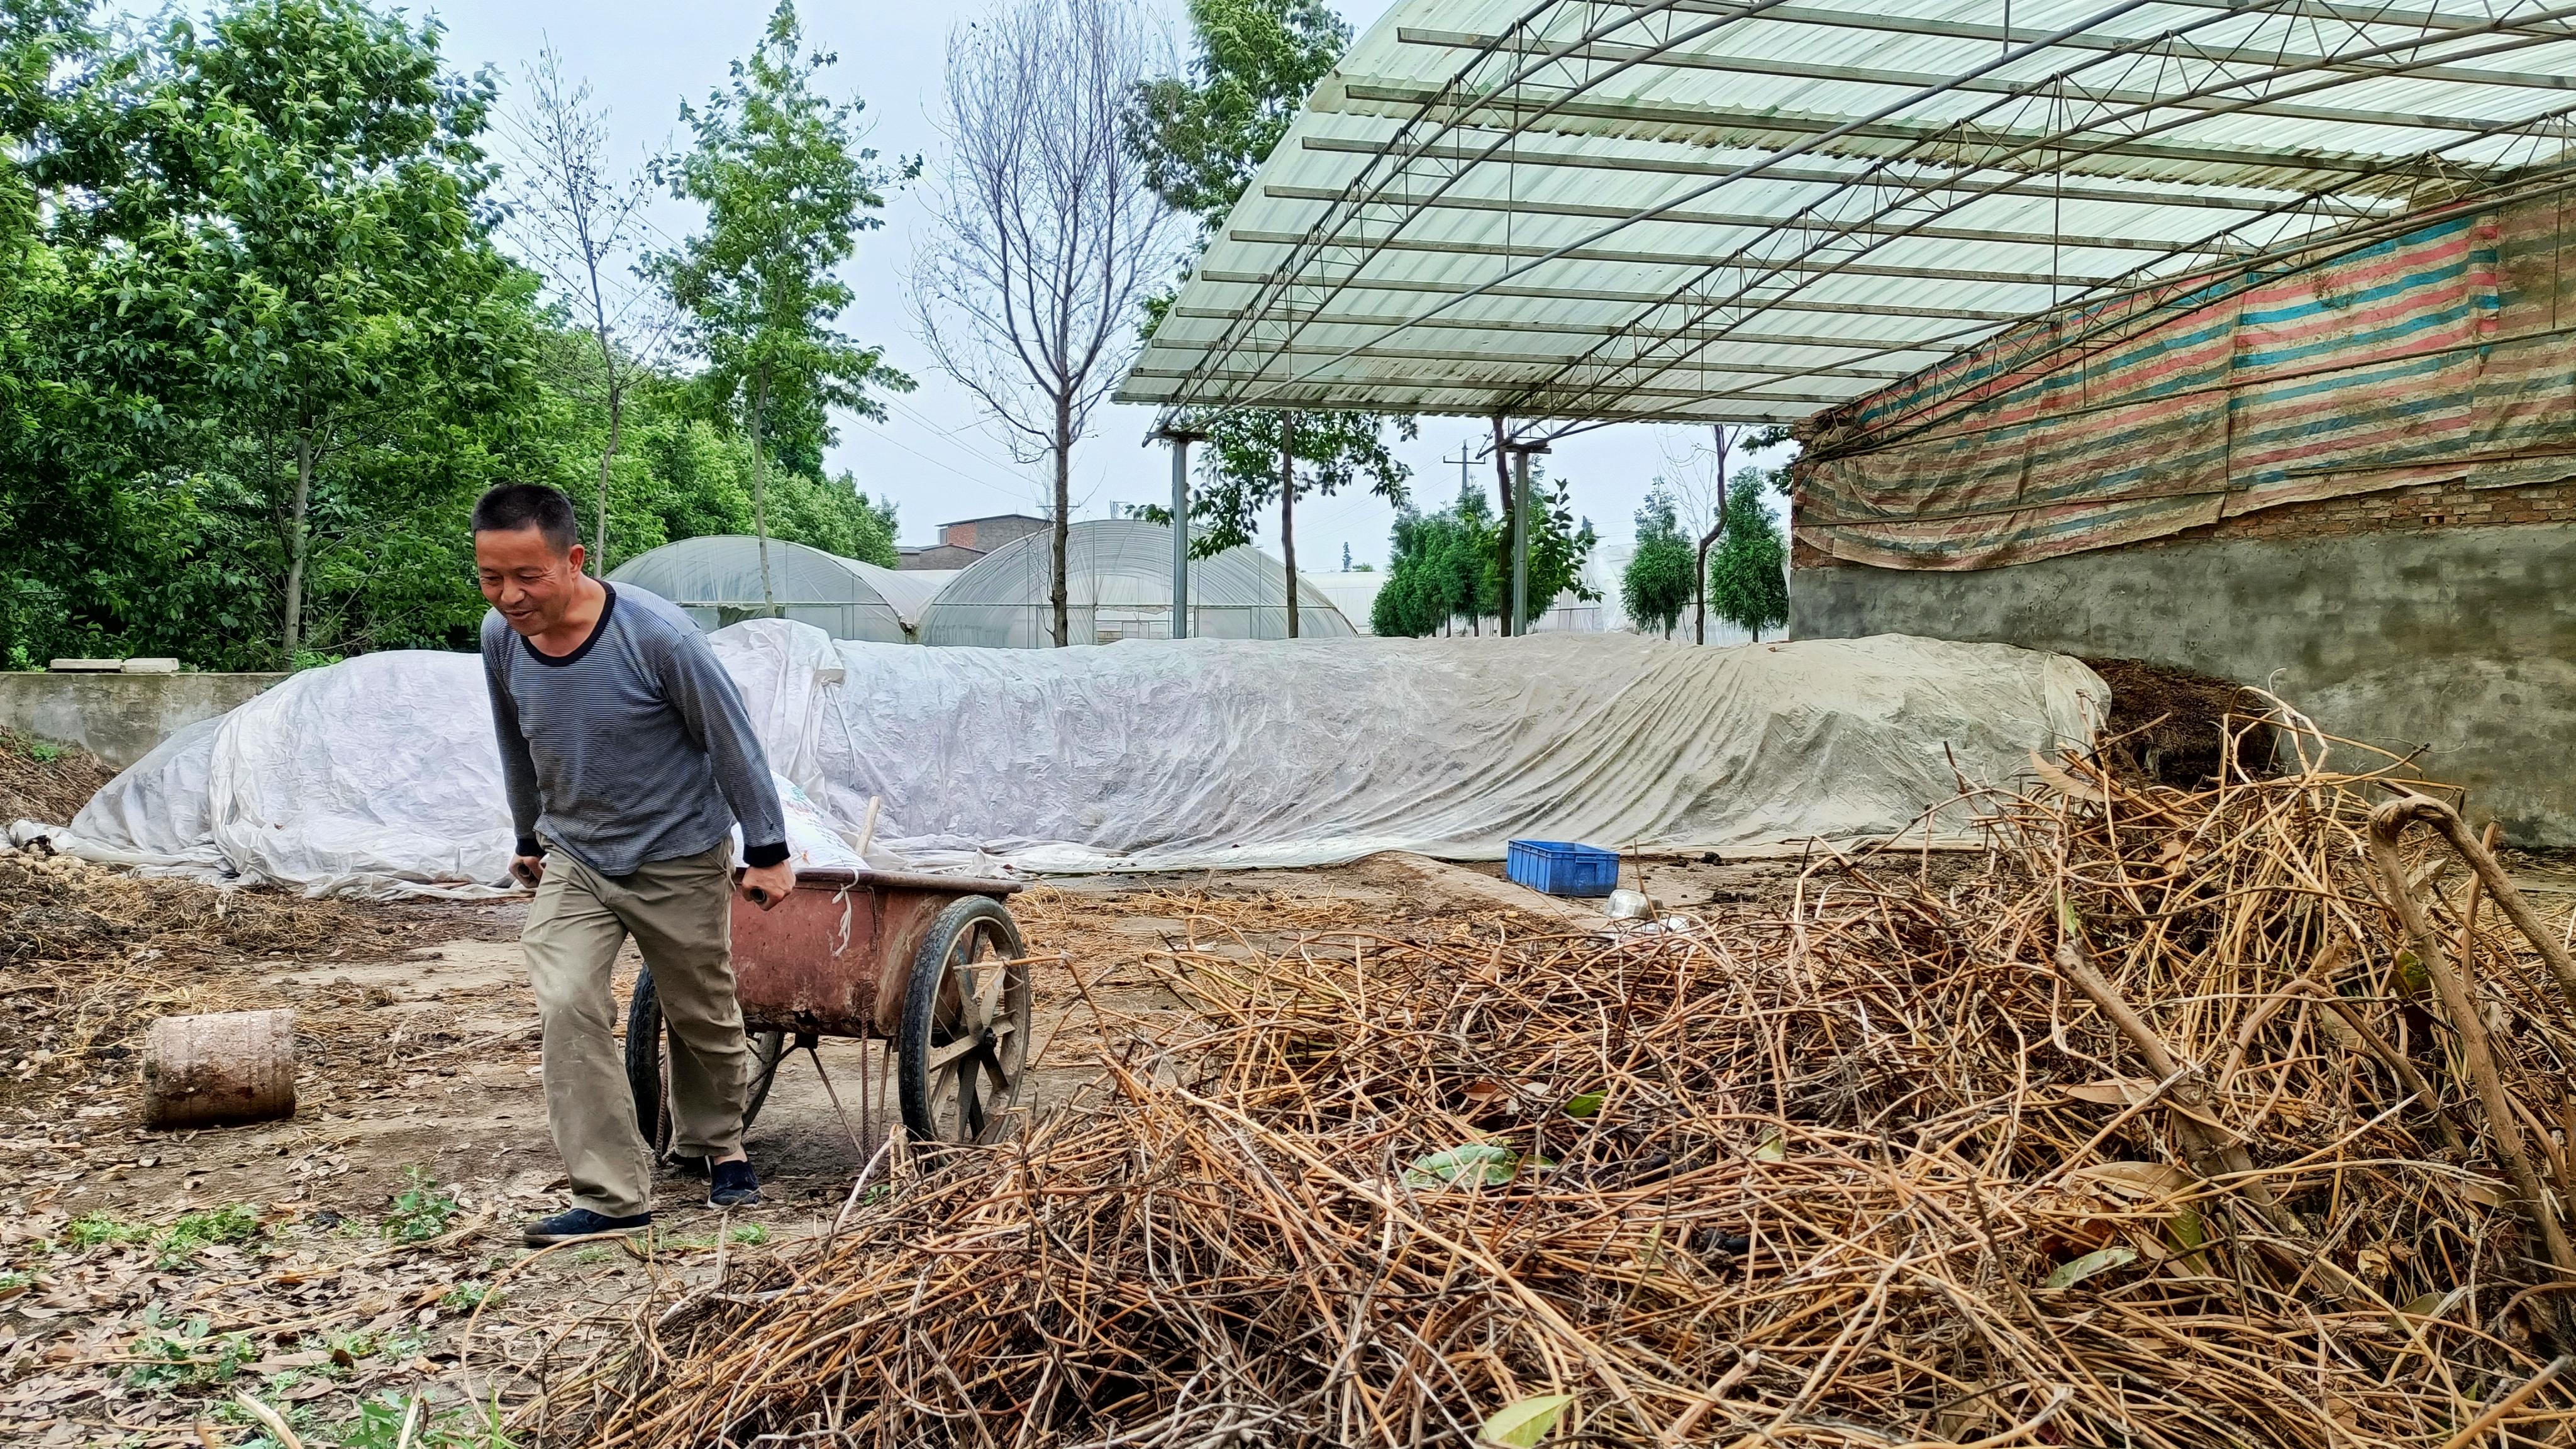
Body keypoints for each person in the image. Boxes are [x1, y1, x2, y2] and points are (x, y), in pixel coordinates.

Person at [472, 482, 796, 1245]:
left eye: (528, 576)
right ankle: (614, 1192)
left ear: (574, 560)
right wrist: (528, 837)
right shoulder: (499, 636)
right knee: (567, 1003)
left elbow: (732, 740)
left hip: (677, 851)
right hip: (578, 853)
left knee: (699, 1010)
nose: (509, 595)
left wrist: (768, 848)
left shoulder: (657, 636)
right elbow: (516, 741)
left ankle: (718, 1144)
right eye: (491, 577)